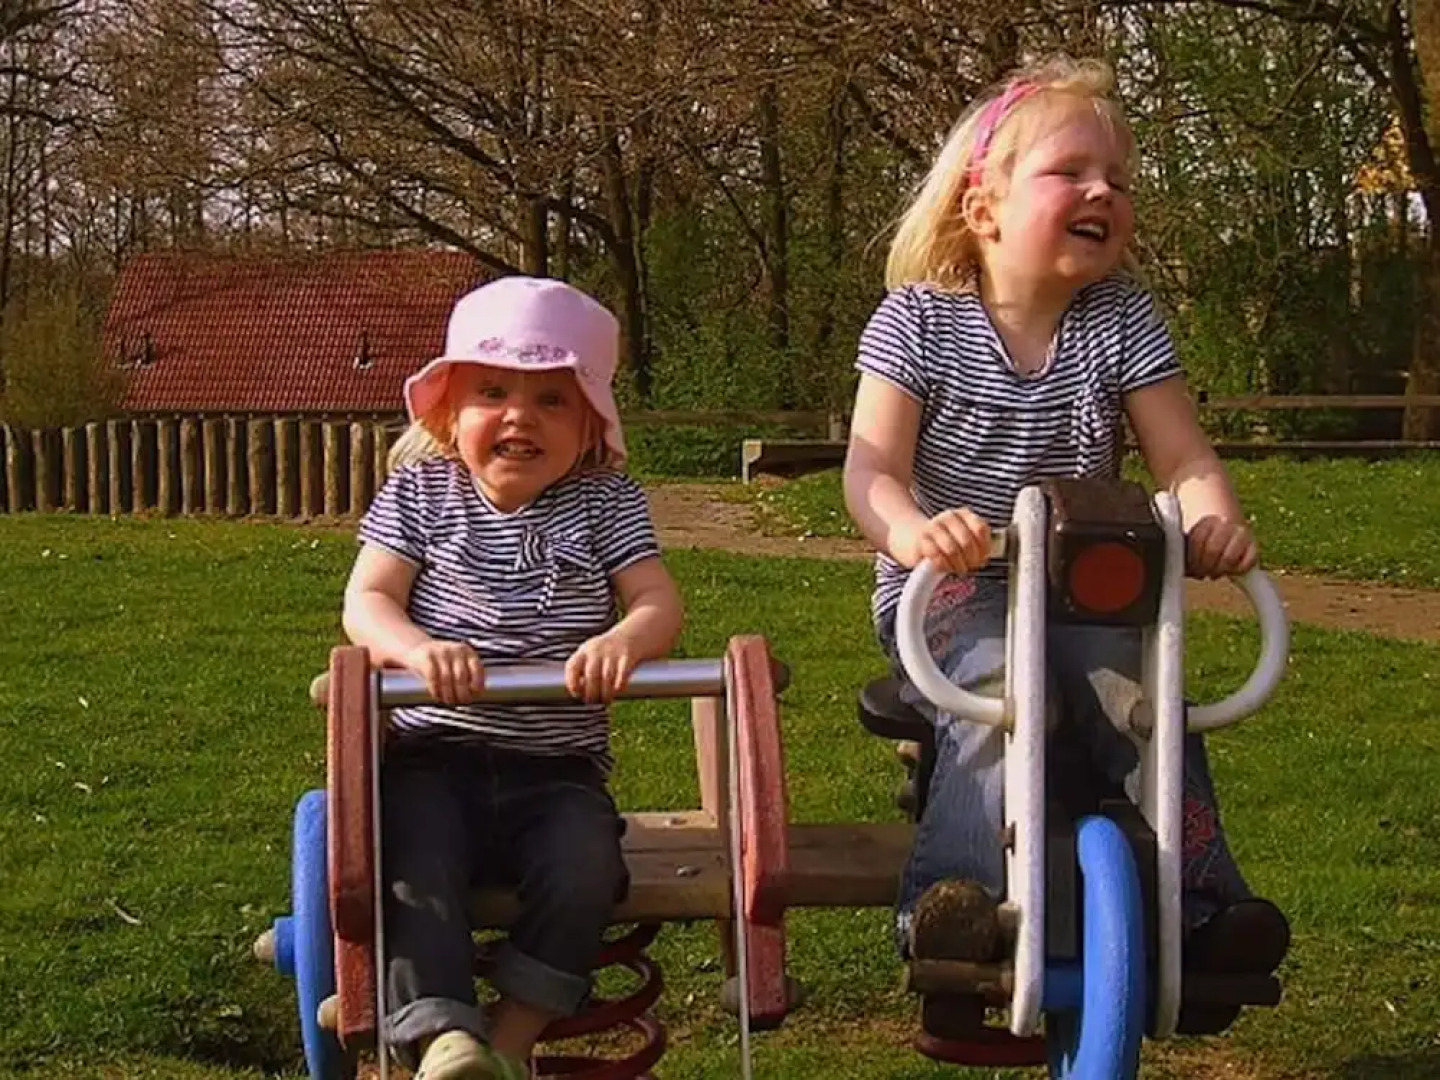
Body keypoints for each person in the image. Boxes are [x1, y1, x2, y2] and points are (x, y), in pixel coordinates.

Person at [842, 56, 1289, 1035]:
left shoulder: (1120, 322)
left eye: (1119, 183)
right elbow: (870, 469)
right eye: (1071, 172)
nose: (1103, 193)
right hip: (953, 588)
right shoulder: (917, 322)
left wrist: (1210, 514)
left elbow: (1184, 455)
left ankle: (1205, 908)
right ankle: (949, 911)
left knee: (1142, 706)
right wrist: (915, 530)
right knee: (1007, 693)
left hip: (1086, 590)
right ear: (984, 205)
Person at [343, 276, 685, 1079]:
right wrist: (418, 650)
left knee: (586, 869)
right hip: (436, 753)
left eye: (552, 401)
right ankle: (443, 1034)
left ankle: (510, 1041)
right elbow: (366, 600)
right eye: (492, 392)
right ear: (449, 412)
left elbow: (658, 600)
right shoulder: (421, 493)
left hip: (556, 768)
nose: (519, 416)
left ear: (590, 423)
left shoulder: (605, 502)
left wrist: (627, 638)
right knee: (411, 867)